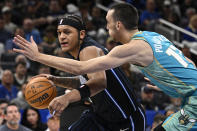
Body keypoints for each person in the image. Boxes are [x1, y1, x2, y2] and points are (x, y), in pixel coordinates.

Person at [13, 3, 197, 131]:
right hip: (103, 114)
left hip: (130, 116)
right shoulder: (154, 36)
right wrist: (166, 84)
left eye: (108, 23)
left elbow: (87, 73)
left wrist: (38, 56)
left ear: (118, 25)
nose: (107, 27)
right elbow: (188, 64)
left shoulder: (127, 49)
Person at [16, 15, 146, 131]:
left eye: (67, 32)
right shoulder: (80, 53)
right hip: (101, 116)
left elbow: (99, 82)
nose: (62, 36)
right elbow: (85, 82)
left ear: (82, 34)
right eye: (59, 32)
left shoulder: (88, 49)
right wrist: (56, 80)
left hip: (126, 117)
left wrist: (38, 56)